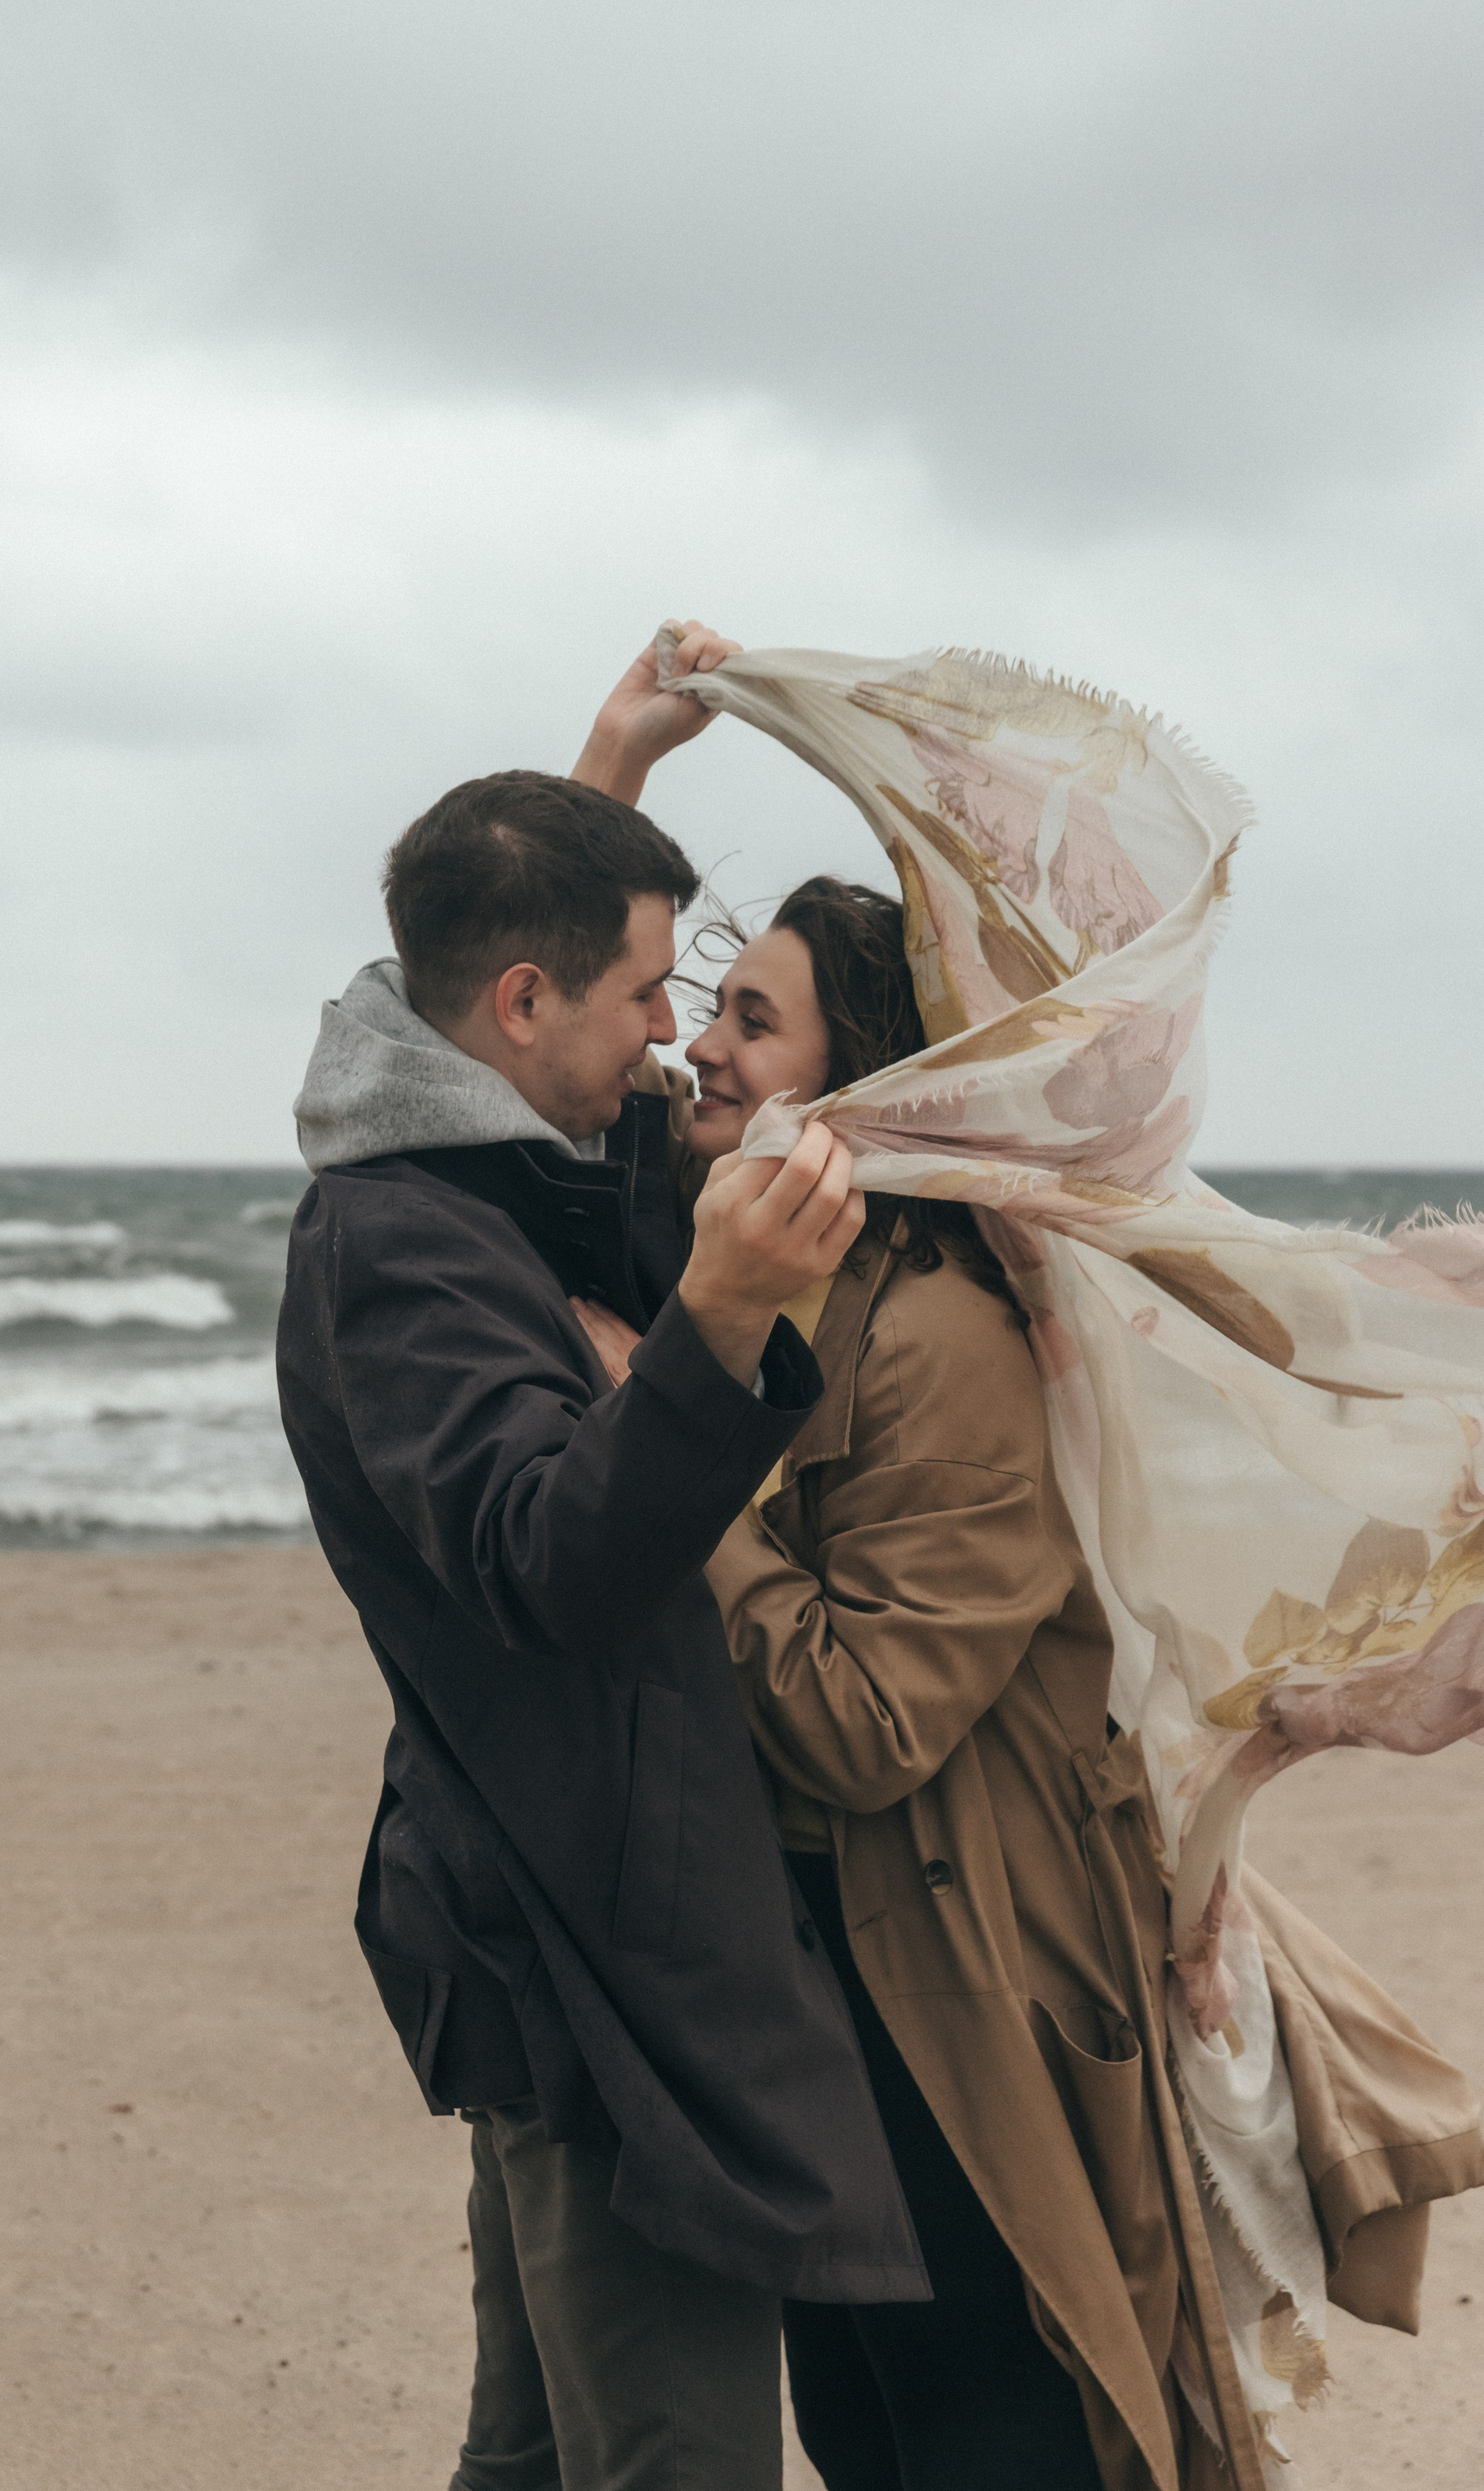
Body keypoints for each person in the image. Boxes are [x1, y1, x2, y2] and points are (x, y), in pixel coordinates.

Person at [273, 628, 928, 2491]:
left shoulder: (464, 1162)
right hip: (583, 1943)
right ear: (522, 1002)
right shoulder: (399, 1244)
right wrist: (717, 1322)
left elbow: (521, 1085)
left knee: (536, 2460)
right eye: (645, 993)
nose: (669, 1037)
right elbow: (546, 1562)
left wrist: (606, 783)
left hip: (551, 1903)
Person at [575, 876, 1259, 2488]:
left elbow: (866, 1726)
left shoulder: (939, 1341)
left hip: (958, 1966)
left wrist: (666, 1435)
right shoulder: (757, 1266)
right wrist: (611, 775)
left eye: (754, 1021)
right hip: (817, 1954)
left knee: (988, 2426)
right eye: (709, 1007)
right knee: (863, 2423)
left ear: (866, 1083)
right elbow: (517, 1025)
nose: (701, 1050)